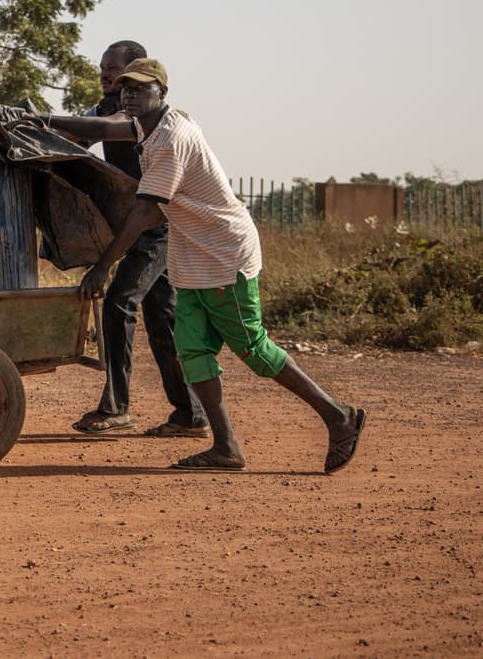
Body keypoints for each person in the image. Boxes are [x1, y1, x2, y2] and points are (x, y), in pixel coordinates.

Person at [32, 58, 365, 471]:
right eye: (124, 88)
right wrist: (38, 118)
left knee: (254, 348)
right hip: (192, 252)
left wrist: (103, 267)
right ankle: (226, 447)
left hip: (224, 252)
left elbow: (143, 213)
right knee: (193, 349)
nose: (129, 94)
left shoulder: (172, 137)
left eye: (139, 87)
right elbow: (100, 128)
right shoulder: (146, 125)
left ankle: (339, 416)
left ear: (163, 93)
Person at [70, 40, 208, 438]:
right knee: (161, 318)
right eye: (104, 67)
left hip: (159, 226)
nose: (107, 74)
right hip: (135, 223)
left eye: (114, 69)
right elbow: (79, 137)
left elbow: (99, 130)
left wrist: (103, 265)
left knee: (118, 302)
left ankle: (116, 407)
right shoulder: (102, 109)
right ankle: (190, 413)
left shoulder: (142, 120)